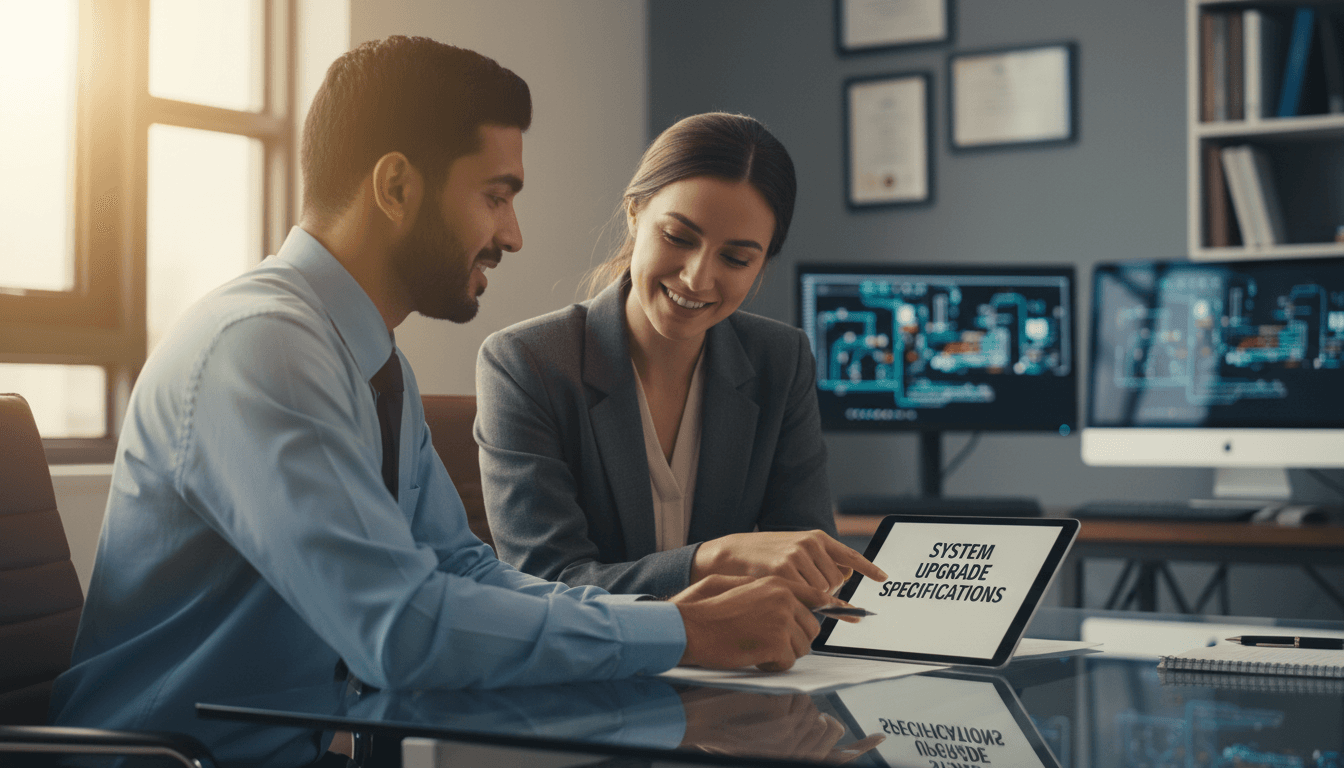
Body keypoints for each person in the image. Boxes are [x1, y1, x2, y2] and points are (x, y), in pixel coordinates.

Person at [48, 38, 845, 756]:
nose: (514, 233)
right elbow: (403, 629)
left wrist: (679, 623)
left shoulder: (366, 357)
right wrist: (681, 628)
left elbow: (464, 569)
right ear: (396, 185)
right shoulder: (264, 348)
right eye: (496, 195)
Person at [476, 113, 886, 599]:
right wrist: (712, 559)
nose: (696, 278)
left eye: (736, 259)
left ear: (761, 266)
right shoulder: (527, 363)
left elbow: (810, 568)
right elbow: (547, 583)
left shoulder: (781, 360)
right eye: (677, 237)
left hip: (742, 670)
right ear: (634, 213)